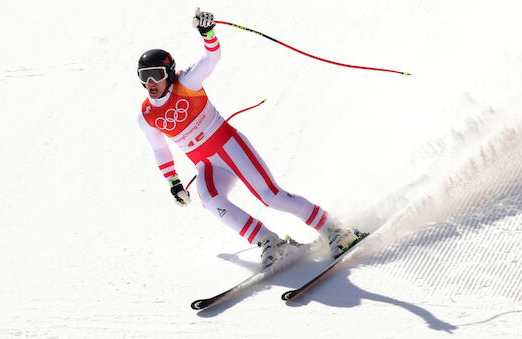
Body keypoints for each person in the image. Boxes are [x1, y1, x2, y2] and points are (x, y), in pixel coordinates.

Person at [137, 8, 361, 268]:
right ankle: (270, 241)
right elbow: (160, 150)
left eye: (157, 74)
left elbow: (212, 58)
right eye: (144, 76)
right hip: (207, 165)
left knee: (271, 196)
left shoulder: (187, 83)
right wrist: (173, 182)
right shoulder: (146, 115)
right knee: (210, 200)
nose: (151, 81)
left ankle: (335, 229)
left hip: (230, 146)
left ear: (170, 73)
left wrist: (207, 33)